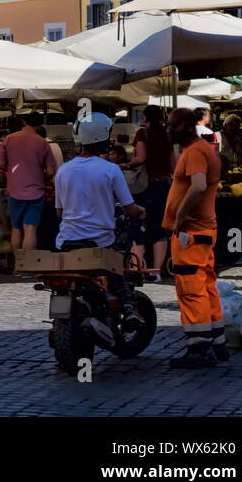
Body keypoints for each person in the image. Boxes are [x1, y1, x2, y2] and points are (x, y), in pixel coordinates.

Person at [53, 112, 145, 330]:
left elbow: (59, 212)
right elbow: (129, 208)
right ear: (103, 137)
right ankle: (128, 308)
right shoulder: (110, 169)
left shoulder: (63, 170)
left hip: (65, 243)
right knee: (116, 270)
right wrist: (141, 211)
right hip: (99, 242)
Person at [163, 107, 226, 369]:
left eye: (173, 126)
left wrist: (180, 216)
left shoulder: (196, 152)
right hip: (201, 231)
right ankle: (217, 342)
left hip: (191, 232)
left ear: (188, 127)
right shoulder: (201, 149)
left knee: (191, 288)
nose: (168, 130)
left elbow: (198, 185)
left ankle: (199, 348)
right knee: (206, 283)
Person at [0, 112, 56, 252]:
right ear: (39, 126)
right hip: (36, 191)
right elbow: (51, 172)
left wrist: (10, 170)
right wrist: (42, 177)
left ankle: (18, 266)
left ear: (23, 122)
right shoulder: (42, 142)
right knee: (30, 229)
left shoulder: (9, 139)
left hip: (14, 190)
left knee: (16, 228)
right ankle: (27, 268)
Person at [127, 104, 172, 282]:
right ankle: (156, 271)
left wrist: (125, 165)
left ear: (145, 117)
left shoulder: (142, 133)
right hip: (163, 185)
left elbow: (141, 158)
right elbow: (173, 165)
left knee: (136, 225)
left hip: (146, 185)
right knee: (159, 228)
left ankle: (136, 269)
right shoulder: (166, 135)